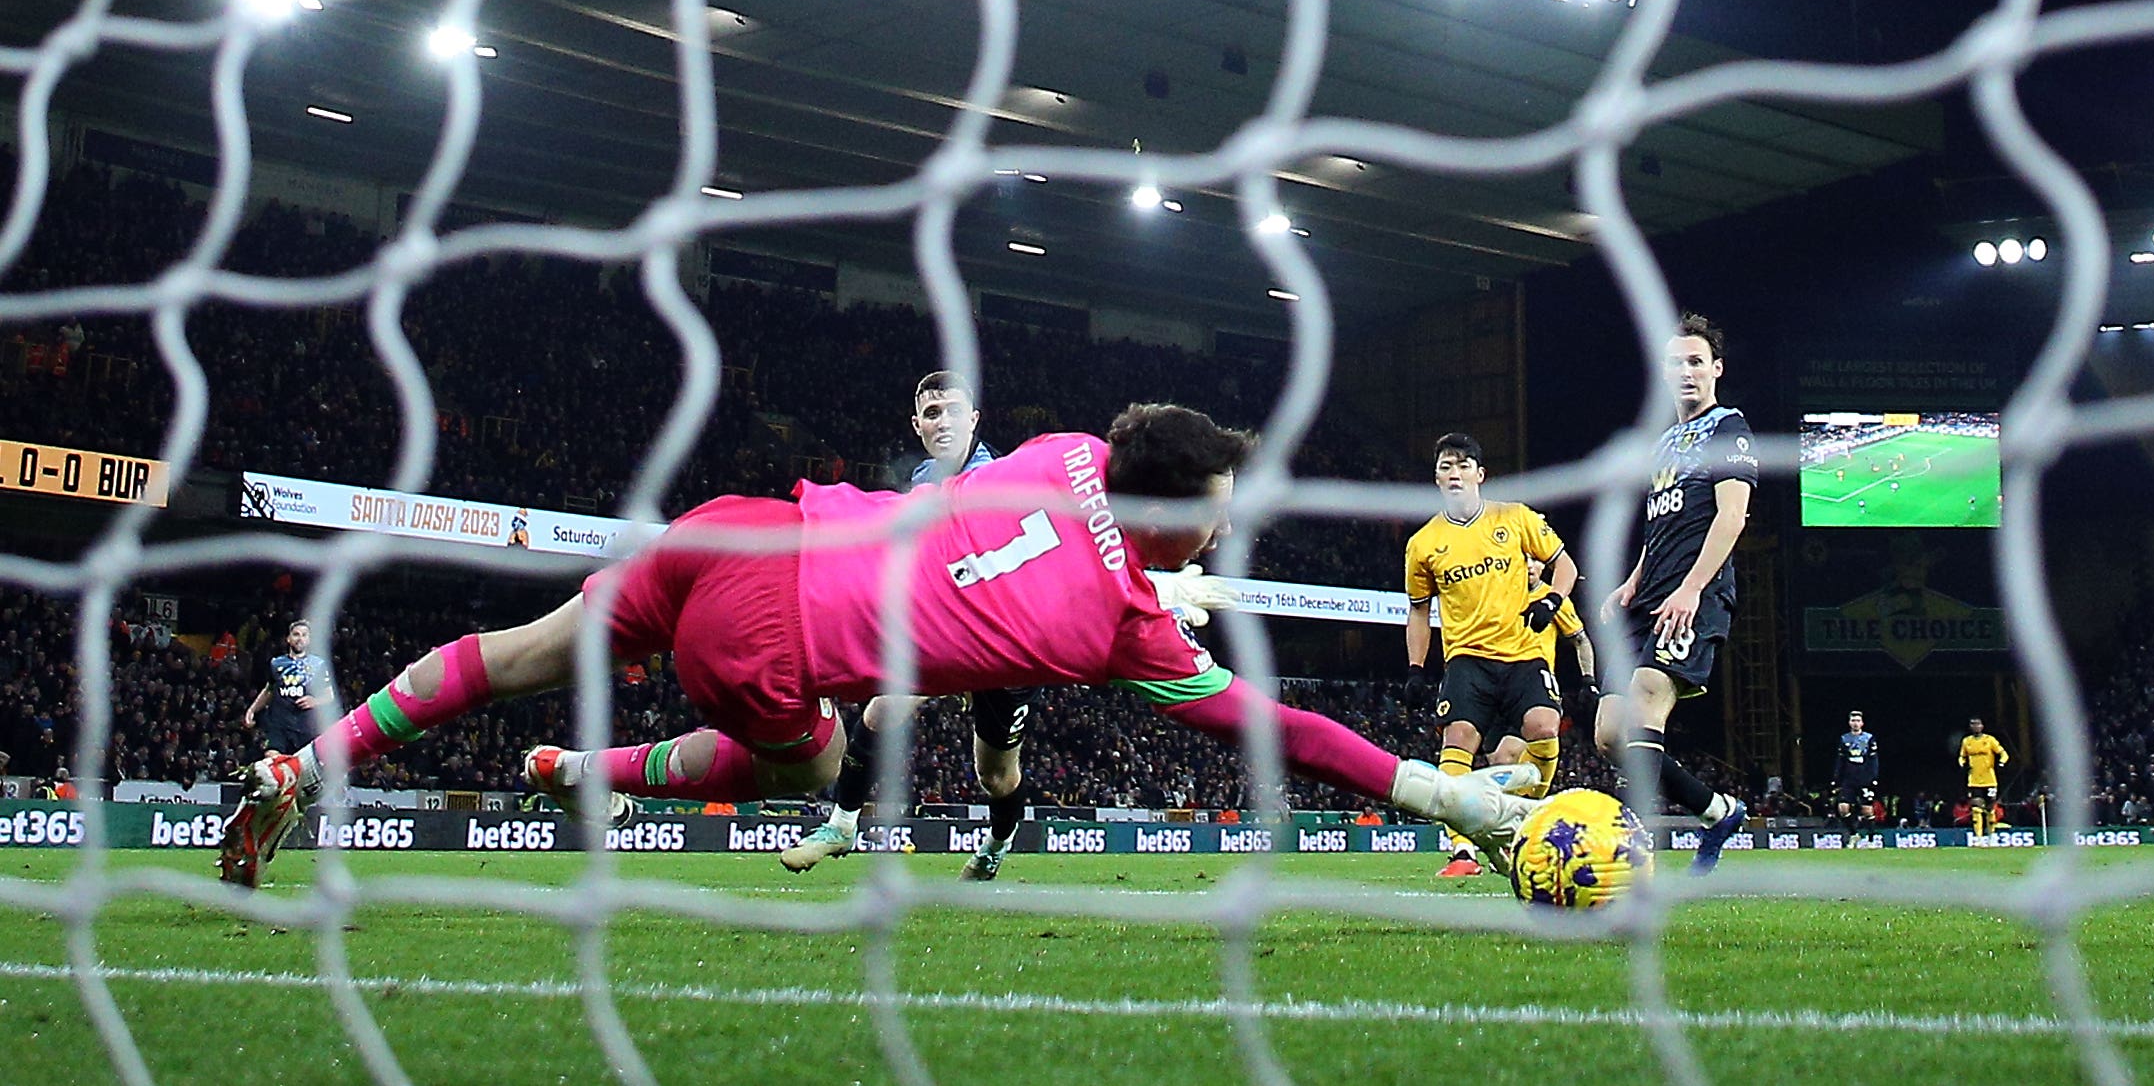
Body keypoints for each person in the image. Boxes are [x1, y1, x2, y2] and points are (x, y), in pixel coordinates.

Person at [217, 403, 1534, 887]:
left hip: (746, 527)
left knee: (514, 649)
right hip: (782, 639)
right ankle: (591, 773)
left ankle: (306, 766)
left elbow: (1086, 504)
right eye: (1216, 511)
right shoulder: (1123, 626)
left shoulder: (1068, 447)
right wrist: (1455, 802)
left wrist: (1159, 558)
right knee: (810, 760)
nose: (1226, 525)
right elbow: (1283, 731)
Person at [780, 370, 1037, 881]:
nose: (944, 422)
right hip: (945, 632)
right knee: (878, 714)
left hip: (1003, 641)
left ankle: (998, 843)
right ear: (917, 424)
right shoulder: (922, 480)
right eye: (933, 413)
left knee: (997, 774)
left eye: (955, 411)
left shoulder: (1000, 481)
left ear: (975, 420)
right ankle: (842, 824)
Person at [1596, 314, 1754, 874]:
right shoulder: (1664, 442)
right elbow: (1661, 522)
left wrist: (1691, 589)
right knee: (1610, 733)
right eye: (1674, 362)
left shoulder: (1728, 428)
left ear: (1716, 369)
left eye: (1695, 361)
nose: (1685, 371)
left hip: (1695, 594)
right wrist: (1635, 578)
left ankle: (1628, 842)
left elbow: (1731, 518)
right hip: (1651, 595)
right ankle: (1717, 811)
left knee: (1644, 697)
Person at [1402, 432, 1580, 877]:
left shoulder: (1515, 517)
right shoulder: (1423, 543)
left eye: (1463, 465)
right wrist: (1415, 668)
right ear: (1437, 479)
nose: (1454, 473)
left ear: (1480, 475)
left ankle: (1522, 822)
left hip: (1522, 653)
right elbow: (1419, 612)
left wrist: (1552, 601)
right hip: (1467, 658)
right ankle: (1462, 850)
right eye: (1445, 466)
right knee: (1458, 737)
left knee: (1543, 726)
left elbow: (1566, 566)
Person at [241, 619, 336, 761]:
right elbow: (269, 690)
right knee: (273, 759)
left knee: (302, 767)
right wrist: (252, 710)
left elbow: (329, 696)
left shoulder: (318, 665)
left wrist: (315, 701)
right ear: (289, 639)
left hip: (305, 726)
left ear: (309, 640)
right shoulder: (276, 663)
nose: (300, 638)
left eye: (304, 635)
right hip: (279, 724)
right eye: (296, 634)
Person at [1832, 709, 1880, 837]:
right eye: (1853, 720)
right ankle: (1854, 834)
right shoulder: (1844, 739)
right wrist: (1836, 777)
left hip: (1864, 778)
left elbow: (1873, 759)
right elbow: (1840, 760)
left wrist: (1873, 777)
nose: (1855, 723)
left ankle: (1871, 837)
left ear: (1862, 723)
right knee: (1842, 808)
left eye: (1858, 721)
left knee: (1867, 810)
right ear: (1849, 722)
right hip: (1849, 779)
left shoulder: (1869, 738)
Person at [1960, 717, 2010, 837]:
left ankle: (1991, 836)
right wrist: (1961, 762)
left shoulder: (1989, 740)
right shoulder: (1967, 741)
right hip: (1974, 780)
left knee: (1990, 809)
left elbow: (2004, 753)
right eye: (1973, 724)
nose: (1975, 726)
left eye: (1977, 724)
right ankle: (1978, 837)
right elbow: (1962, 756)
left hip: (1989, 780)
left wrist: (2002, 762)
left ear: (1982, 726)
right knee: (1976, 809)